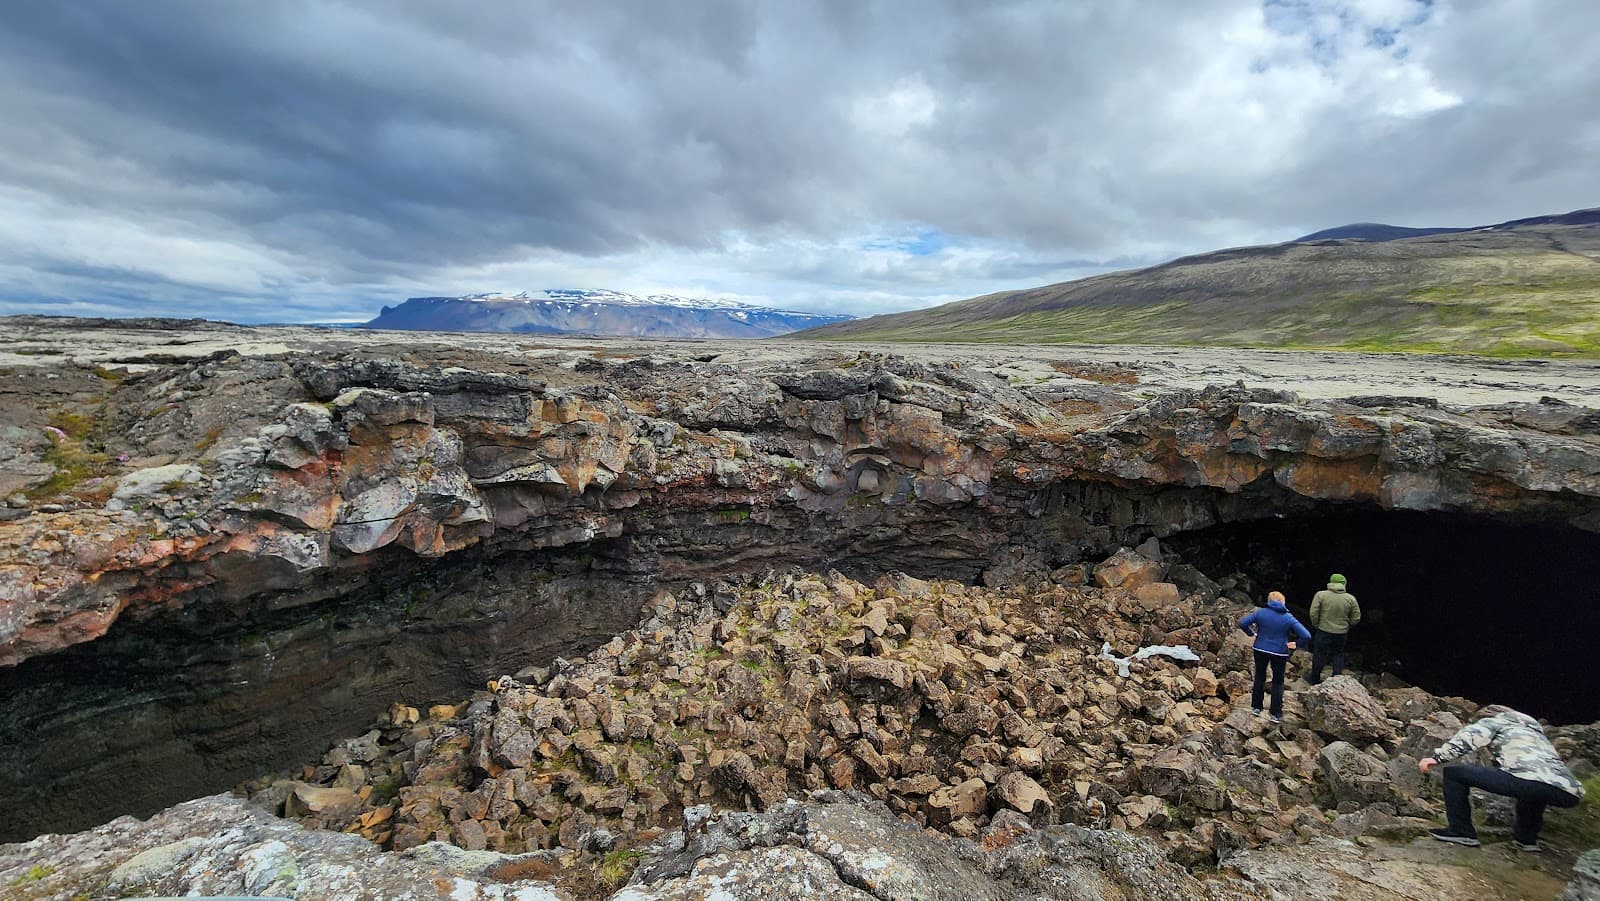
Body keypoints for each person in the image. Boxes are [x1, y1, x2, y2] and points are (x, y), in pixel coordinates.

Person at [1419, 705, 1586, 851]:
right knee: (1532, 790)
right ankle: (1526, 840)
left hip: (1529, 779)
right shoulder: (1536, 734)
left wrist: (1437, 758)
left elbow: (1470, 737)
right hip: (1569, 792)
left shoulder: (1497, 720)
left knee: (1454, 774)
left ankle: (1461, 831)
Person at [1237, 590, 1311, 723]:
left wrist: (1252, 634)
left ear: (1269, 601)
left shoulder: (1261, 612)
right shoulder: (1288, 617)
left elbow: (1242, 623)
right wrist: (1296, 644)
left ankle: (1256, 707)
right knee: (1278, 681)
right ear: (1283, 602)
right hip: (1279, 652)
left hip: (1260, 648)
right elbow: (1306, 635)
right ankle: (1275, 714)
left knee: (1260, 677)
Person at [1307, 573, 1361, 685]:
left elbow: (1313, 613)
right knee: (1338, 654)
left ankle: (1314, 679)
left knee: (1319, 654)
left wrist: (1316, 624)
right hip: (1341, 633)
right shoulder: (1351, 598)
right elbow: (1356, 617)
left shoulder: (1321, 595)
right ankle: (1336, 679)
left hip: (1323, 630)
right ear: (1344, 584)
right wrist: (1348, 625)